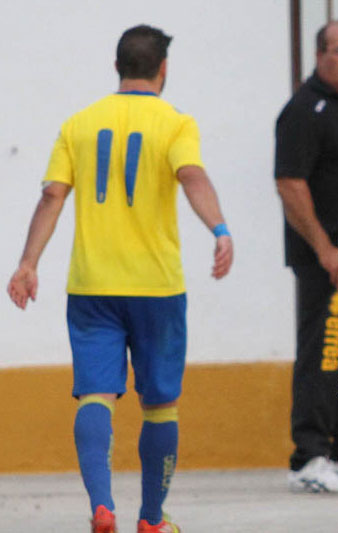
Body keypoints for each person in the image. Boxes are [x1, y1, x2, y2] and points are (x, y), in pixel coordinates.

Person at [6, 25, 233, 533]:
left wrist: (27, 263)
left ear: (117, 67)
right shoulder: (176, 123)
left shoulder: (79, 123)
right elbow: (191, 176)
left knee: (94, 395)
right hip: (157, 288)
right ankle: (152, 519)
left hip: (91, 286)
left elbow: (52, 196)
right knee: (159, 405)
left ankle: (102, 506)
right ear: (163, 69)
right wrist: (219, 229)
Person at [274, 19, 338, 492]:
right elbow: (289, 183)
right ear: (319, 55)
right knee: (322, 352)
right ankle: (308, 457)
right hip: (326, 263)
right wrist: (326, 249)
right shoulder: (304, 109)